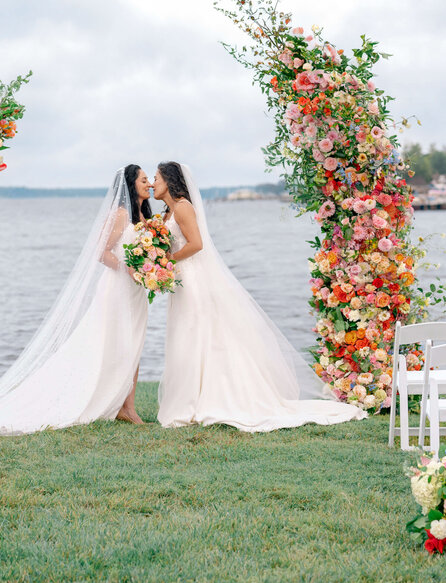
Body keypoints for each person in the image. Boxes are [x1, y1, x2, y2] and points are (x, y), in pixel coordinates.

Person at [0, 166, 152, 435]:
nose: (149, 183)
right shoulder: (119, 215)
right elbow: (101, 252)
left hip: (135, 289)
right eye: (144, 179)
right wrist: (126, 268)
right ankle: (119, 405)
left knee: (134, 344)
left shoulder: (142, 216)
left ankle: (127, 406)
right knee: (114, 343)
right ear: (131, 184)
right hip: (117, 288)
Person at [153, 161, 365, 432]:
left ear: (170, 181)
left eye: (157, 178)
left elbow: (197, 244)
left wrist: (168, 260)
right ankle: (191, 395)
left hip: (193, 281)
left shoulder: (182, 207)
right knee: (186, 336)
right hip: (182, 281)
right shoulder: (169, 211)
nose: (152, 182)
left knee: (195, 333)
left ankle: (203, 398)